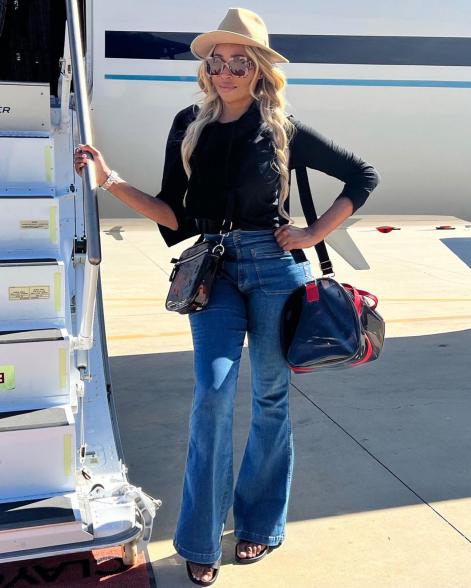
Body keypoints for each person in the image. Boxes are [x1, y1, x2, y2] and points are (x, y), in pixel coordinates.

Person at [74, 8, 380, 585]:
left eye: (240, 61)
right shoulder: (190, 124)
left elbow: (362, 175)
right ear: (207, 68)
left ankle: (261, 525)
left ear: (260, 69)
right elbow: (176, 214)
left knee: (270, 397)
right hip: (211, 272)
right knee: (212, 395)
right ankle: (199, 537)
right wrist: (110, 180)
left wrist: (314, 234)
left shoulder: (284, 129)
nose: (226, 70)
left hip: (275, 271)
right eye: (217, 61)